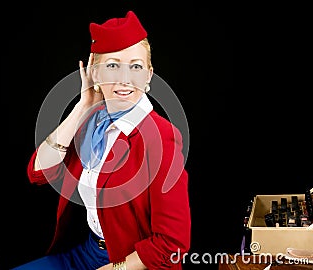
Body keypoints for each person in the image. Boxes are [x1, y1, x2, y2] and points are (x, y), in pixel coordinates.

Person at [13, 10, 191, 270]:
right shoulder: (92, 124)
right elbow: (38, 172)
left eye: (136, 66)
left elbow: (172, 243)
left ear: (149, 75)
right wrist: (83, 107)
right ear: (95, 75)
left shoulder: (162, 137)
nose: (125, 79)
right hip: (86, 253)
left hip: (130, 263)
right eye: (112, 65)